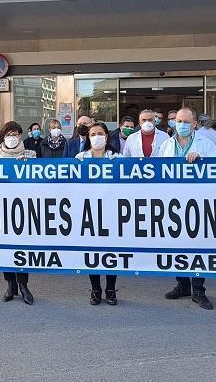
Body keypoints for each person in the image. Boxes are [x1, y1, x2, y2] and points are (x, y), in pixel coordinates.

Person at [157, 107, 216, 310]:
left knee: (197, 247)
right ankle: (182, 285)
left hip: (197, 204)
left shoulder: (206, 145)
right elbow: (156, 172)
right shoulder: (166, 145)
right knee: (177, 246)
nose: (180, 125)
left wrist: (201, 162)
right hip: (172, 204)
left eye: (185, 121)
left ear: (194, 124)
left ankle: (198, 290)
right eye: (177, 121)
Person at [0, 121, 37, 304]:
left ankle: (23, 285)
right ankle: (10, 286)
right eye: (9, 134)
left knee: (22, 250)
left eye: (16, 134)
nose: (12, 138)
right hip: (0, 212)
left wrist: (28, 166)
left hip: (23, 210)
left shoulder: (31, 155)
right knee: (4, 250)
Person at [75, 122, 121, 305]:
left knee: (112, 253)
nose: (96, 137)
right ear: (88, 137)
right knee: (92, 253)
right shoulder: (80, 158)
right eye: (92, 134)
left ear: (107, 136)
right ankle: (95, 289)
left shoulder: (118, 158)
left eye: (100, 133)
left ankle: (110, 289)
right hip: (89, 213)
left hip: (112, 213)